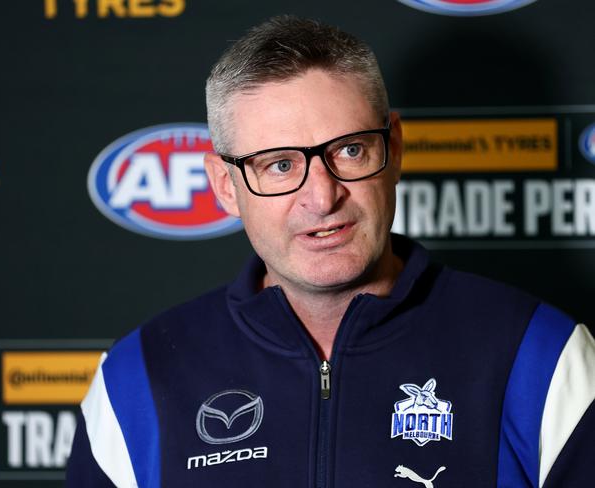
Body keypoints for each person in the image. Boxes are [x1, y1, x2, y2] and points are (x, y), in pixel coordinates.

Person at [66, 16, 595, 488]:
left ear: (395, 148)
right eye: (279, 165)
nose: (322, 197)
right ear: (225, 186)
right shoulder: (137, 380)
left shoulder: (542, 357)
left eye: (349, 150)